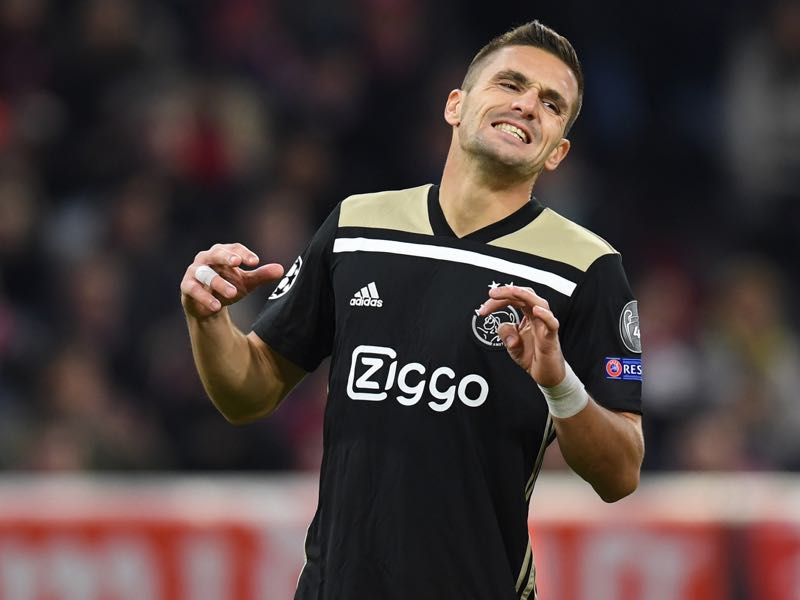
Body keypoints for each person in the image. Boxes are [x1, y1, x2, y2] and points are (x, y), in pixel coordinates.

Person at [180, 20, 644, 600]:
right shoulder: (358, 226)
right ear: (456, 104)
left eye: (552, 104)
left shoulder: (588, 268)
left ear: (558, 152)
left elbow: (621, 474)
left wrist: (559, 383)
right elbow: (249, 391)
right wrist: (207, 320)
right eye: (510, 84)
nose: (527, 106)